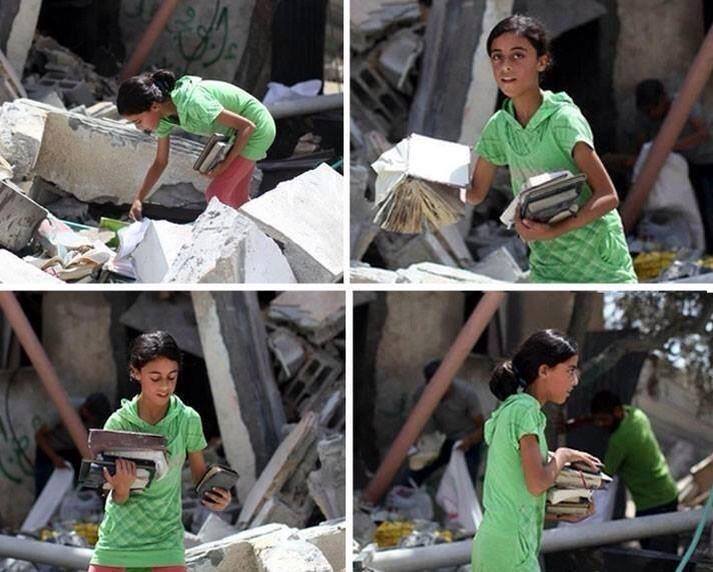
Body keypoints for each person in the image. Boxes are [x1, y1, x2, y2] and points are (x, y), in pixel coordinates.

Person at [466, 15, 636, 283]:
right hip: (548, 262)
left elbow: (608, 195)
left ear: (542, 62)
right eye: (497, 57)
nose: (505, 66)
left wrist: (554, 230)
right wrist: (432, 188)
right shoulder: (499, 126)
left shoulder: (563, 119)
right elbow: (475, 193)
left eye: (517, 56)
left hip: (597, 260)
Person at [89, 331, 231, 572]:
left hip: (166, 539)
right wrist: (122, 487)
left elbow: (199, 476)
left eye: (171, 377)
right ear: (136, 372)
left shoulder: (188, 420)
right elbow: (114, 495)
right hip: (118, 539)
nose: (165, 386)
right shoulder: (118, 424)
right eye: (155, 378)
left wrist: (216, 496)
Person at [472, 330, 600, 572]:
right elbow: (537, 483)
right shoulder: (524, 411)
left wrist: (565, 511)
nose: (575, 380)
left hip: (502, 545)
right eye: (570, 370)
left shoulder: (515, 410)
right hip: (510, 551)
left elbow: (518, 496)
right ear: (544, 371)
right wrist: (563, 455)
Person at [116, 69, 276, 217]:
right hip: (240, 134)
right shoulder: (164, 117)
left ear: (154, 106)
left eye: (138, 121)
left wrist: (224, 165)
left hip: (256, 130)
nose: (139, 128)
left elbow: (247, 126)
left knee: (216, 194)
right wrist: (138, 199)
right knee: (237, 199)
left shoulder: (193, 102)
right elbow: (160, 162)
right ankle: (267, 237)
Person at [591, 390, 679, 553]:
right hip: (668, 493)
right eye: (597, 420)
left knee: (659, 559)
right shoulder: (637, 415)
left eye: (604, 419)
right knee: (668, 555)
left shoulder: (620, 440)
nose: (600, 425)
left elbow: (605, 474)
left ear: (617, 412)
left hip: (652, 503)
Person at [635, 78, 713, 250]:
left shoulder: (682, 104)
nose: (650, 115)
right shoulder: (649, 118)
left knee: (709, 209)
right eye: (646, 111)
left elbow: (703, 133)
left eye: (652, 110)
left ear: (663, 100)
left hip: (707, 160)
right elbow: (643, 148)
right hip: (688, 165)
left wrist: (669, 146)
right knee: (696, 210)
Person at [407, 359, 484, 485]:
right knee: (413, 473)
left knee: (465, 485)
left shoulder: (466, 394)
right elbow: (415, 424)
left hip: (467, 442)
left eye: (444, 385)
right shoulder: (422, 394)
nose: (442, 390)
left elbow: (482, 427)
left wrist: (469, 441)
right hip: (440, 440)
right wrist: (417, 443)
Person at [34, 392, 111, 497]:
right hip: (50, 449)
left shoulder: (96, 419)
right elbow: (39, 437)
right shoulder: (65, 409)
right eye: (93, 417)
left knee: (90, 479)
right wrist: (55, 458)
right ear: (85, 410)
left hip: (72, 449)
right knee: (45, 490)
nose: (94, 420)